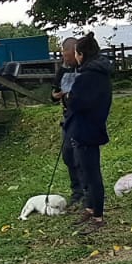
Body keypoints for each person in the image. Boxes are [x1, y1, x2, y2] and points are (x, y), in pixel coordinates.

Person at [64, 34, 112, 234]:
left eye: (76, 52)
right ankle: (91, 208)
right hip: (92, 126)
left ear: (81, 54)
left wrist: (68, 97)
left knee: (92, 175)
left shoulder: (88, 76)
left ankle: (98, 216)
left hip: (86, 129)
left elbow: (76, 102)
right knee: (87, 172)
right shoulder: (100, 74)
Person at [50, 37, 84, 211]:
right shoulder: (62, 71)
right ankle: (76, 192)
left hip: (82, 118)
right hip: (67, 117)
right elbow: (53, 94)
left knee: (82, 156)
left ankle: (87, 192)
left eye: (67, 55)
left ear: (75, 52)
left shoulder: (85, 69)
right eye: (63, 54)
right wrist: (58, 95)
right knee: (68, 155)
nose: (65, 58)